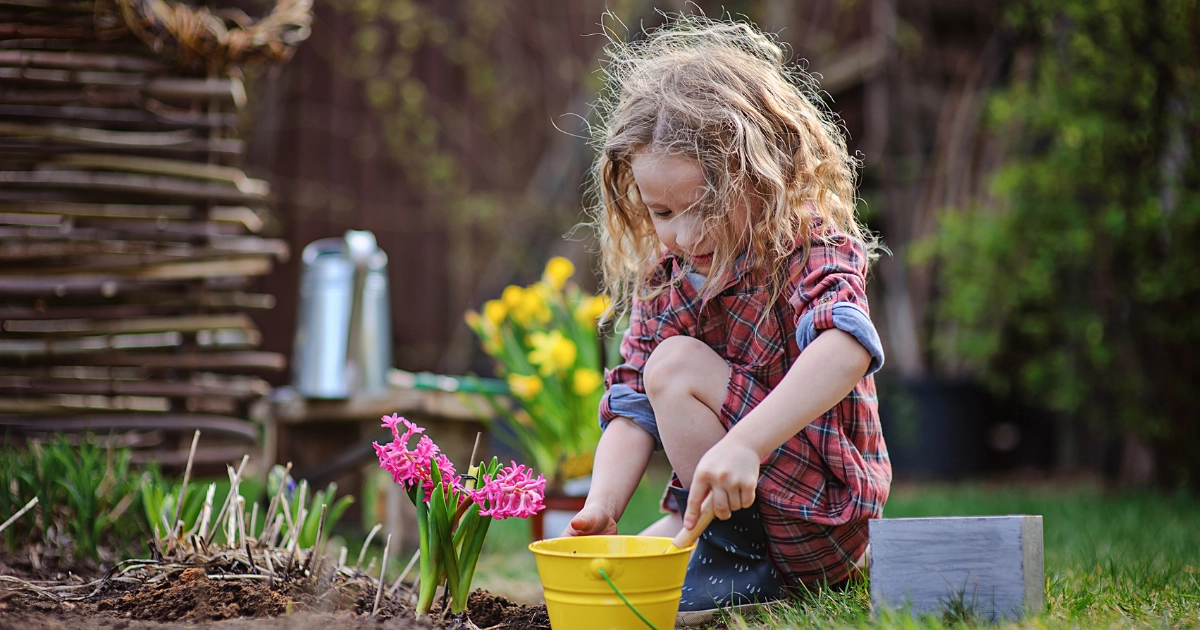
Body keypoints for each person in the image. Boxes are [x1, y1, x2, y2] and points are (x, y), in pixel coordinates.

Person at [563, 15, 892, 625]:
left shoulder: (810, 246)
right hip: (736, 503)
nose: (684, 235)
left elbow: (846, 345)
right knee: (657, 377)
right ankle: (721, 549)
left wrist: (745, 443)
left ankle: (742, 565)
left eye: (705, 206)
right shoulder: (667, 276)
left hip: (821, 517)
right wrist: (602, 504)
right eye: (661, 211)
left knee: (676, 365)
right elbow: (632, 398)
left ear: (761, 175)